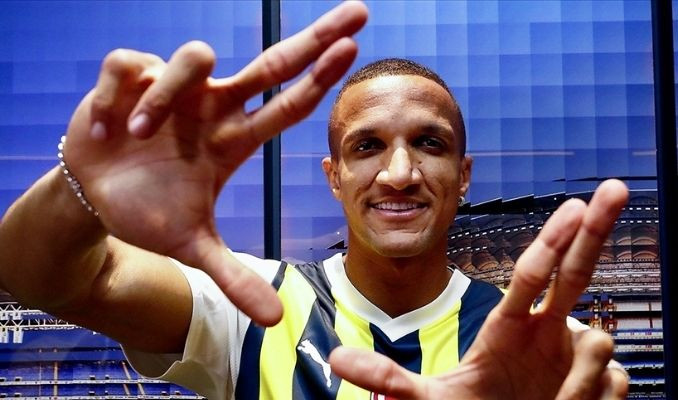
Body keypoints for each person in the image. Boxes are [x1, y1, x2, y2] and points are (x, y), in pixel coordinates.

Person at [0, 2, 630, 399]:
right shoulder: (250, 309)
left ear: (463, 175)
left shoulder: (539, 346)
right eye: (367, 147)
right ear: (334, 177)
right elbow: (44, 279)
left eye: (429, 144)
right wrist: (81, 188)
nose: (400, 173)